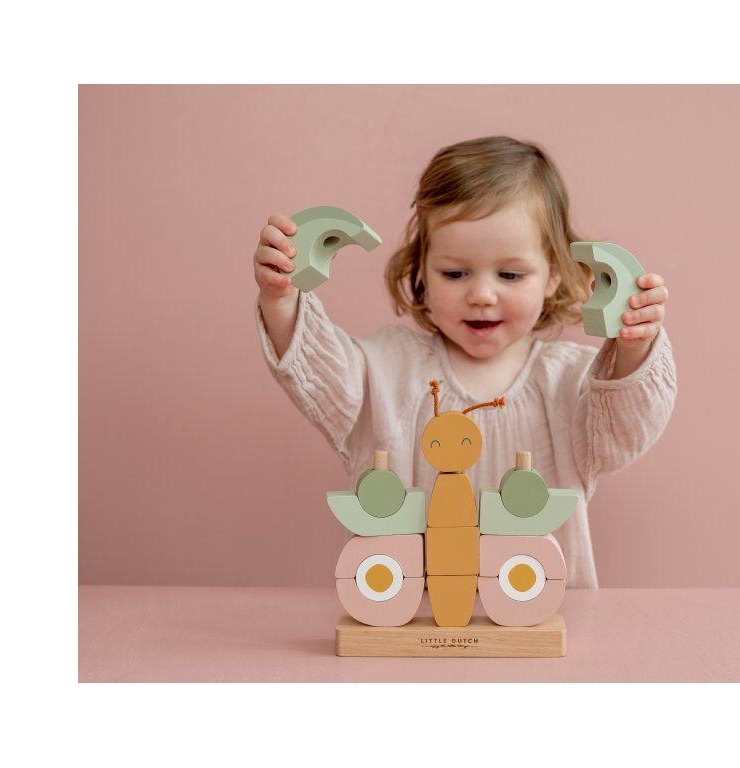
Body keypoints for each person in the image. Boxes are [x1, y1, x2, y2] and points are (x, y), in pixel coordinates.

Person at [253, 136, 676, 588]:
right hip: (409, 611)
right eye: (455, 273)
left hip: (536, 614)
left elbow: (625, 428)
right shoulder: (389, 368)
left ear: (554, 274)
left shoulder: (570, 381)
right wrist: (282, 299)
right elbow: (321, 379)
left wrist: (633, 347)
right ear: (421, 270)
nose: (482, 295)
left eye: (510, 274)